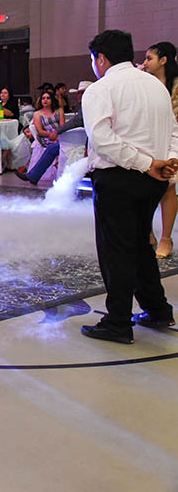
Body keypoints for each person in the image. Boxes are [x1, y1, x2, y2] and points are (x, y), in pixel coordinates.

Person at [80, 30, 178, 344]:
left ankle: (118, 322)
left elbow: (103, 140)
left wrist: (145, 162)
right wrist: (169, 161)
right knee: (138, 244)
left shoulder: (100, 89)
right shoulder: (156, 85)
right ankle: (157, 309)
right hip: (153, 179)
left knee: (116, 250)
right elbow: (173, 129)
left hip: (119, 178)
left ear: (101, 58)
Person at [143, 41, 178, 258]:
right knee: (143, 187)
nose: (145, 63)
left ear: (163, 60)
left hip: (172, 139)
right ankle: (148, 233)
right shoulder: (144, 83)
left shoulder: (175, 85)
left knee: (168, 187)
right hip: (148, 139)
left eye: (149, 58)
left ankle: (166, 237)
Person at [14, 90, 64, 184]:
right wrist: (51, 135)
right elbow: (40, 131)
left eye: (48, 98)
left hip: (60, 136)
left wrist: (57, 134)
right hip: (47, 137)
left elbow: (62, 126)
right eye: (43, 98)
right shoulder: (37, 114)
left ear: (52, 100)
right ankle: (33, 175)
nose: (45, 100)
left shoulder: (59, 111)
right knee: (51, 146)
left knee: (58, 144)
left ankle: (33, 176)